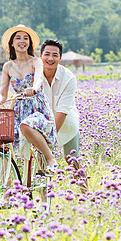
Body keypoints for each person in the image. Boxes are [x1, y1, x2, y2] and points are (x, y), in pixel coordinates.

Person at [0, 25, 58, 174]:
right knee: (4, 143)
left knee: (26, 125)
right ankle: (7, 188)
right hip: (19, 109)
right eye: (18, 38)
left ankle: (50, 158)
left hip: (38, 108)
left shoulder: (35, 61)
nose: (22, 41)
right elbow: (3, 94)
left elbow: (39, 78)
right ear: (12, 43)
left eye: (25, 38)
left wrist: (34, 88)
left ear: (29, 43)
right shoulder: (7, 66)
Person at [40, 39, 88, 191]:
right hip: (41, 122)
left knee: (72, 159)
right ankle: (42, 198)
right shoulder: (34, 75)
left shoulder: (68, 78)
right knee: (39, 159)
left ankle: (86, 195)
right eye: (47, 54)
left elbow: (62, 110)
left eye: (55, 55)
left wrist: (50, 137)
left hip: (66, 123)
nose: (50, 58)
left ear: (60, 58)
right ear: (40, 56)